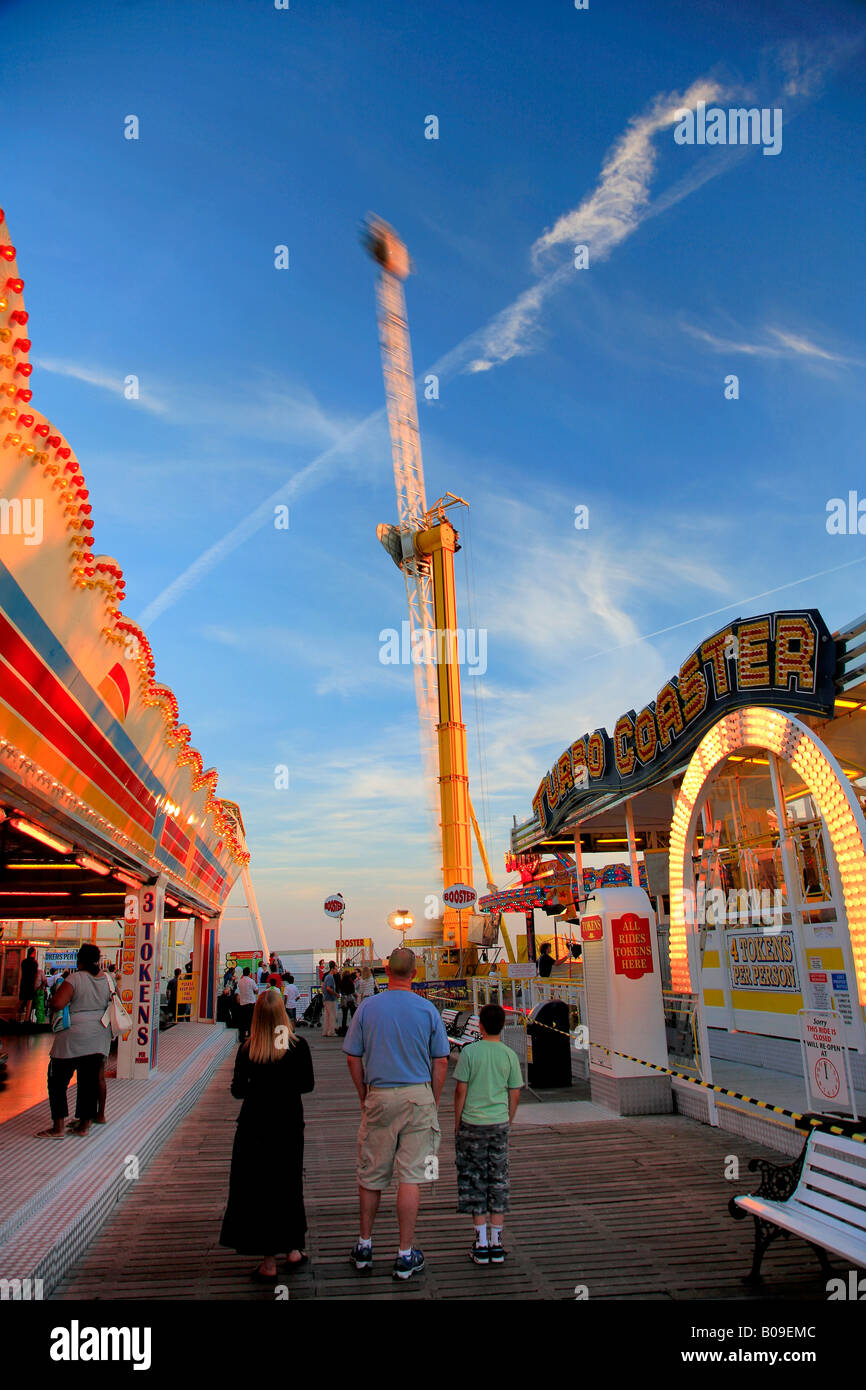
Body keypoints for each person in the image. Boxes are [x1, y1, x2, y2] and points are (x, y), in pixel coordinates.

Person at [343, 946, 450, 1281]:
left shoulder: (368, 1008)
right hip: (418, 1094)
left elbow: (352, 1056)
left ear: (386, 972)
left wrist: (364, 1095)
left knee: (371, 1172)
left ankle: (364, 1246)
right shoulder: (427, 1009)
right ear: (415, 975)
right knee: (411, 1176)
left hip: (379, 1095)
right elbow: (441, 1061)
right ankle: (405, 1253)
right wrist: (432, 1098)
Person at [219, 988, 314, 1281]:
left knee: (259, 1189)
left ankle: (269, 1262)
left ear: (257, 1016)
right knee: (288, 1184)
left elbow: (238, 1090)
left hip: (255, 1127)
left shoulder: (249, 1048)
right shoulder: (296, 1046)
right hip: (287, 1126)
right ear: (283, 1013)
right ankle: (294, 1249)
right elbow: (306, 1085)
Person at [453, 1002, 522, 1265]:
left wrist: (457, 1123)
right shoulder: (509, 1055)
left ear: (479, 1026)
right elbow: (515, 1091)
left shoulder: (470, 1053)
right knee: (498, 1179)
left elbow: (460, 1091)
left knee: (475, 1180)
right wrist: (508, 1118)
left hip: (472, 1125)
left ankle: (480, 1242)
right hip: (499, 1125)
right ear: (503, 1027)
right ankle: (496, 1241)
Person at [37, 943, 112, 1138]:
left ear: (80, 960)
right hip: (99, 1036)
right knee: (88, 1082)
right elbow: (117, 1002)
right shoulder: (108, 979)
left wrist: (57, 1000)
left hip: (73, 1038)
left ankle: (58, 1127)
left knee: (57, 1080)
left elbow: (58, 1003)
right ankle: (84, 1125)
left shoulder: (75, 978)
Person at [236, 967, 258, 1043]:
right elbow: (256, 990)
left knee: (242, 1021)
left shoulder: (240, 981)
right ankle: (250, 1036)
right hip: (250, 1003)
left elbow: (238, 991)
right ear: (249, 973)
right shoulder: (251, 981)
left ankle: (241, 1037)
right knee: (251, 1020)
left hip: (242, 1003)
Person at [18, 945, 39, 1024]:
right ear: (33, 953)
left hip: (24, 983)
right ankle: (27, 1019)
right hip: (30, 983)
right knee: (29, 1001)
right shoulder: (34, 963)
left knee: (21, 1000)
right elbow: (35, 974)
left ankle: (12, 1016)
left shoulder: (24, 962)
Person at [322, 961, 339, 1037]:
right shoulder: (330, 977)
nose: (337, 970)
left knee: (327, 1016)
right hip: (331, 999)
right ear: (332, 969)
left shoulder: (326, 977)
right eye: (336, 969)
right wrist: (336, 994)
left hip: (326, 999)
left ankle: (326, 1031)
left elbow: (323, 987)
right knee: (332, 1016)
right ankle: (331, 1032)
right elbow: (328, 988)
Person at [338, 968, 357, 1035]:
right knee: (353, 1014)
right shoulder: (350, 981)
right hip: (350, 998)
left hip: (344, 999)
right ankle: (354, 1029)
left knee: (344, 1015)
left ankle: (343, 1029)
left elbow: (340, 990)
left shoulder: (341, 982)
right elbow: (353, 991)